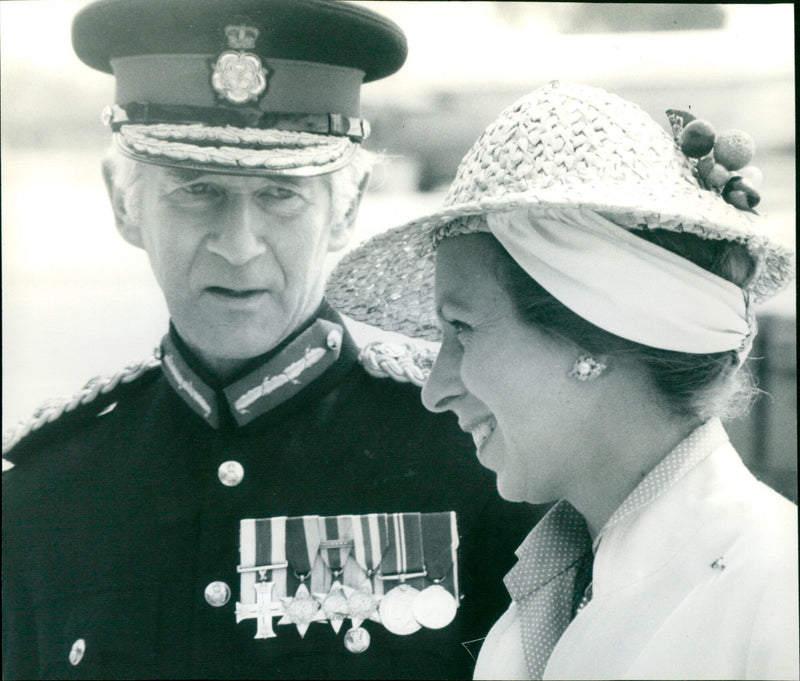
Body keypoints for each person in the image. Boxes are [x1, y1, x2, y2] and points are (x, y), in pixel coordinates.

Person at [1, 1, 542, 679]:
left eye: (281, 195)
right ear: (123, 200)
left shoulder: (479, 462)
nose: (238, 244)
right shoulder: (43, 504)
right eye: (196, 190)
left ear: (346, 206)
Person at [326, 82, 798, 679]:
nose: (434, 388)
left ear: (594, 333)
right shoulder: (534, 615)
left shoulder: (779, 597)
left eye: (463, 329)